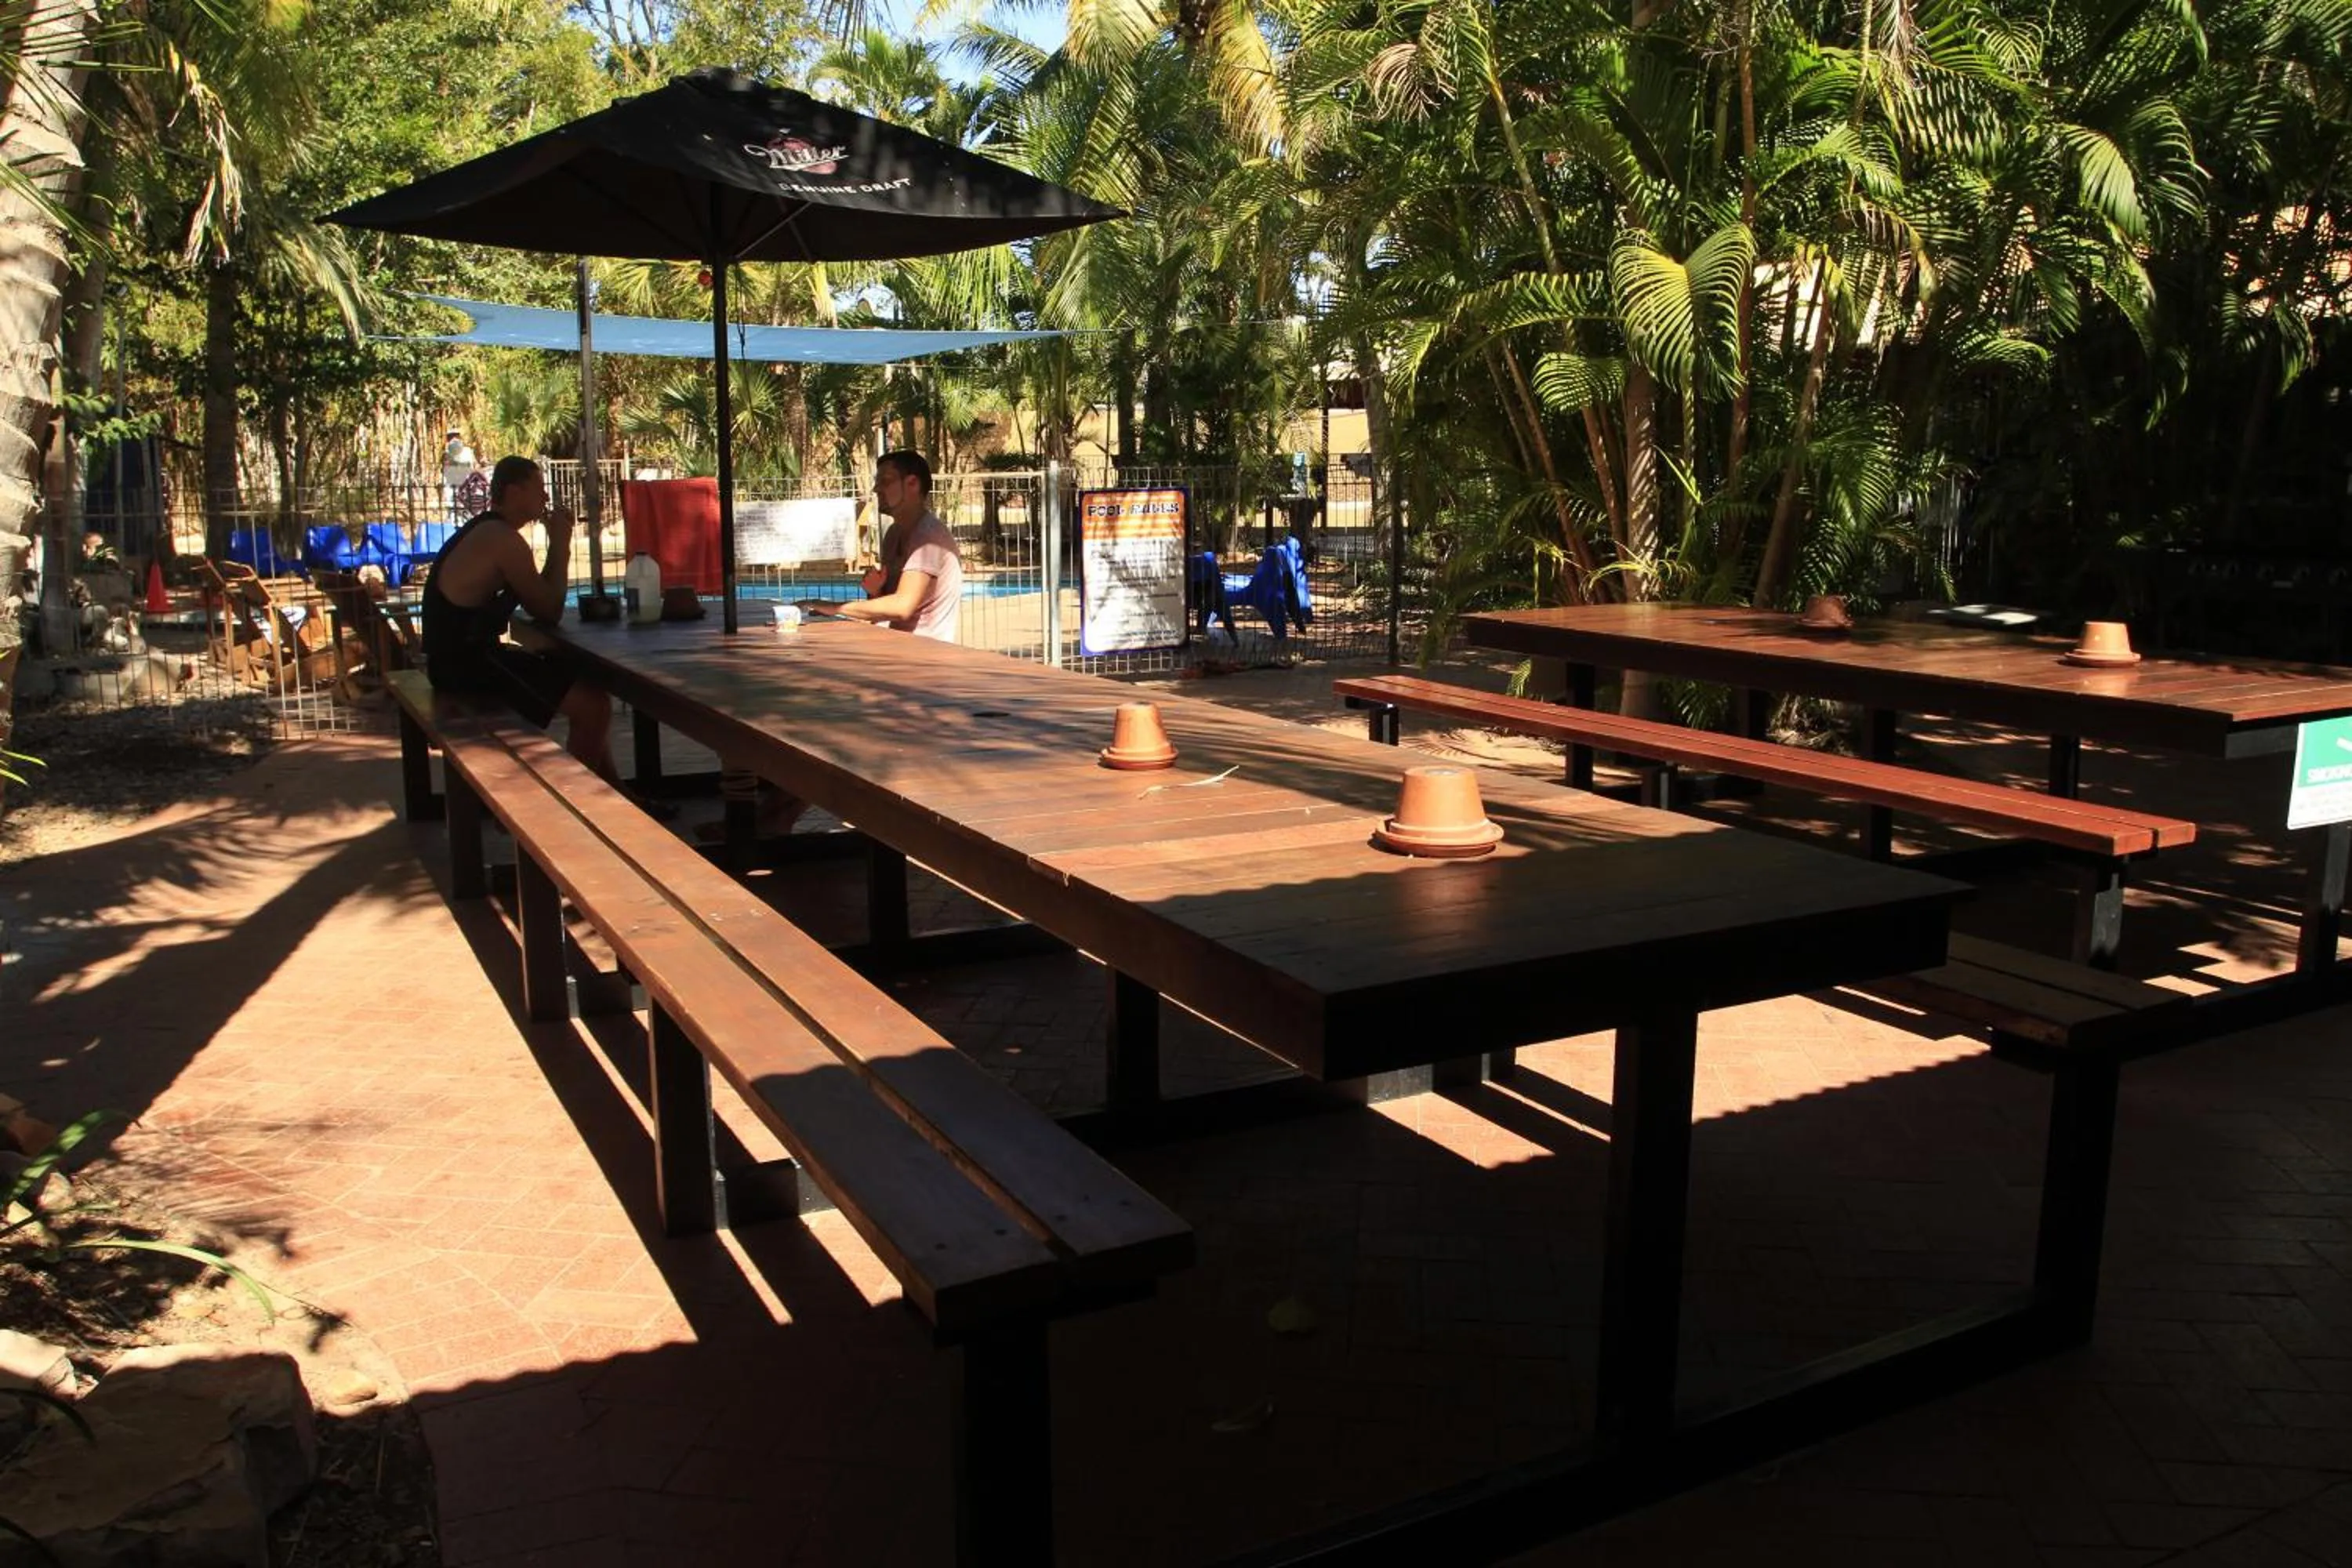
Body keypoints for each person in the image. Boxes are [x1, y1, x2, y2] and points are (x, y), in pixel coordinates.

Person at [421, 456, 616, 782]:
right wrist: (561, 545)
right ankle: (572, 806)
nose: (545, 497)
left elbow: (544, 599)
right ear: (513, 492)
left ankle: (621, 796)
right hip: (464, 666)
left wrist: (558, 546)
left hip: (459, 660)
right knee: (593, 707)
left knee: (587, 688)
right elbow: (550, 610)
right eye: (539, 488)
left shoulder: (492, 531)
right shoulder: (502, 540)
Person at [796, 448, 961, 641]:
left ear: (912, 484)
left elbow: (902, 607)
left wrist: (832, 607)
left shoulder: (929, 538)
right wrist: (877, 591)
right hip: (895, 646)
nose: (876, 489)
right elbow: (887, 608)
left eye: (885, 481)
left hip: (926, 654)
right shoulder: (894, 534)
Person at [440, 430, 479, 520]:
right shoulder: (447, 453)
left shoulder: (468, 451)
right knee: (453, 505)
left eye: (455, 436)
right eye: (451, 437)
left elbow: (474, 464)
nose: (453, 439)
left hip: (466, 483)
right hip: (453, 483)